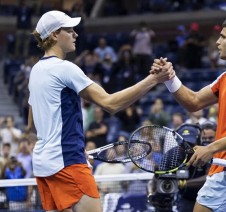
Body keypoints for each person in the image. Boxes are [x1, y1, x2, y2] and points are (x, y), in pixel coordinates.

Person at [27, 10, 174, 212]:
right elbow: (110, 104)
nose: (75, 34)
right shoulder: (65, 68)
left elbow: (31, 124)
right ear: (54, 35)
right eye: (69, 30)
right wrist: (154, 80)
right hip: (67, 162)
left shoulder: (35, 71)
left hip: (43, 166)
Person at [153, 16, 226, 212]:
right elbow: (194, 102)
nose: (217, 42)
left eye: (223, 37)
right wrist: (169, 78)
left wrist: (211, 148)